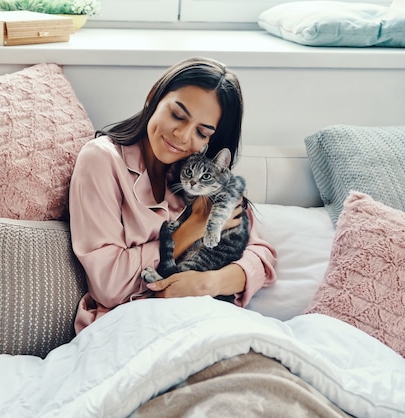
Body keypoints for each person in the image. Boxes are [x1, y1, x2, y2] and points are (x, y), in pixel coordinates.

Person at [68, 57, 277, 334]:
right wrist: (192, 229)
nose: (182, 135)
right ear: (154, 95)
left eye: (202, 132)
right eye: (178, 115)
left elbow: (261, 257)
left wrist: (208, 283)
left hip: (211, 319)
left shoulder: (204, 177)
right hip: (132, 326)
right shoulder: (102, 160)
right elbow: (109, 285)